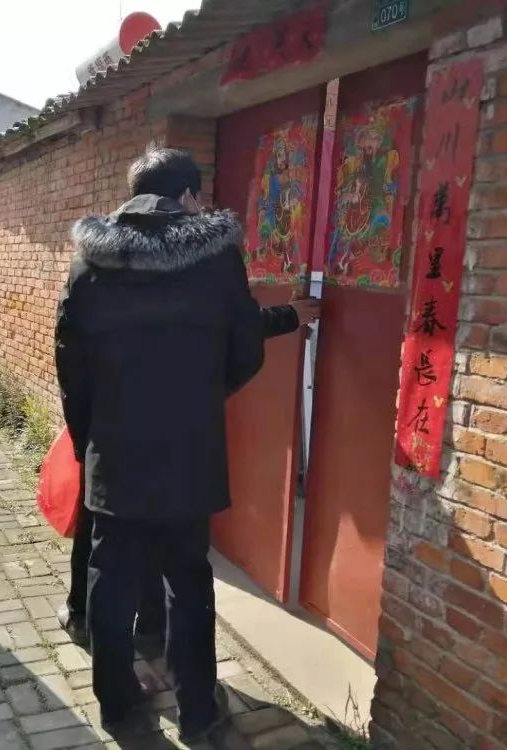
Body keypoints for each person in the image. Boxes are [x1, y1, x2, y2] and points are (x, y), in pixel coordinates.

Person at [55, 147, 318, 741]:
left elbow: (70, 357)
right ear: (190, 195)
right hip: (188, 448)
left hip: (113, 448)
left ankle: (117, 703)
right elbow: (241, 344)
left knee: (110, 578)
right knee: (188, 581)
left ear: (132, 194)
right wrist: (200, 395)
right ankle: (199, 712)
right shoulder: (214, 256)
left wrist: (85, 436)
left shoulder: (90, 259)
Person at [57, 300, 319, 647]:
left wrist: (83, 441)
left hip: (109, 431)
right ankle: (146, 630)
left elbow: (71, 358)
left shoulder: (94, 284)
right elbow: (227, 326)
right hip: (160, 427)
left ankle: (91, 619)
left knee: (104, 528)